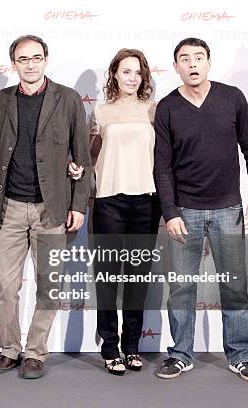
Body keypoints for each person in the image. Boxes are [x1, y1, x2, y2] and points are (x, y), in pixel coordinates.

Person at [154, 38, 248, 383]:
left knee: (233, 286)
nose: (192, 64)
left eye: (198, 57)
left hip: (227, 209)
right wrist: (170, 211)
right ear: (175, 67)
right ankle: (180, 354)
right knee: (182, 287)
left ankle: (242, 355)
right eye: (184, 59)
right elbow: (162, 167)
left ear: (208, 62)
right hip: (184, 211)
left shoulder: (232, 97)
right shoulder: (167, 107)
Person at [0, 35, 92, 379]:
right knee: (5, 286)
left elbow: (83, 157)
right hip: (11, 208)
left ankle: (35, 353)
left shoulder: (69, 99)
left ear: (46, 59)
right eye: (22, 59)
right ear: (13, 63)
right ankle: (9, 349)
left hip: (53, 208)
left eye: (35, 57)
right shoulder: (1, 101)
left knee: (49, 286)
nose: (29, 64)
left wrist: (78, 204)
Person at [88, 48, 162, 375]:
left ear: (143, 77)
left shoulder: (154, 111)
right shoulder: (100, 112)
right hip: (108, 201)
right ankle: (109, 347)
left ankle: (132, 346)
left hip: (146, 202)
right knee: (107, 279)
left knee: (137, 279)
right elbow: (88, 157)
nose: (132, 78)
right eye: (126, 71)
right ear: (115, 74)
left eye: (138, 73)